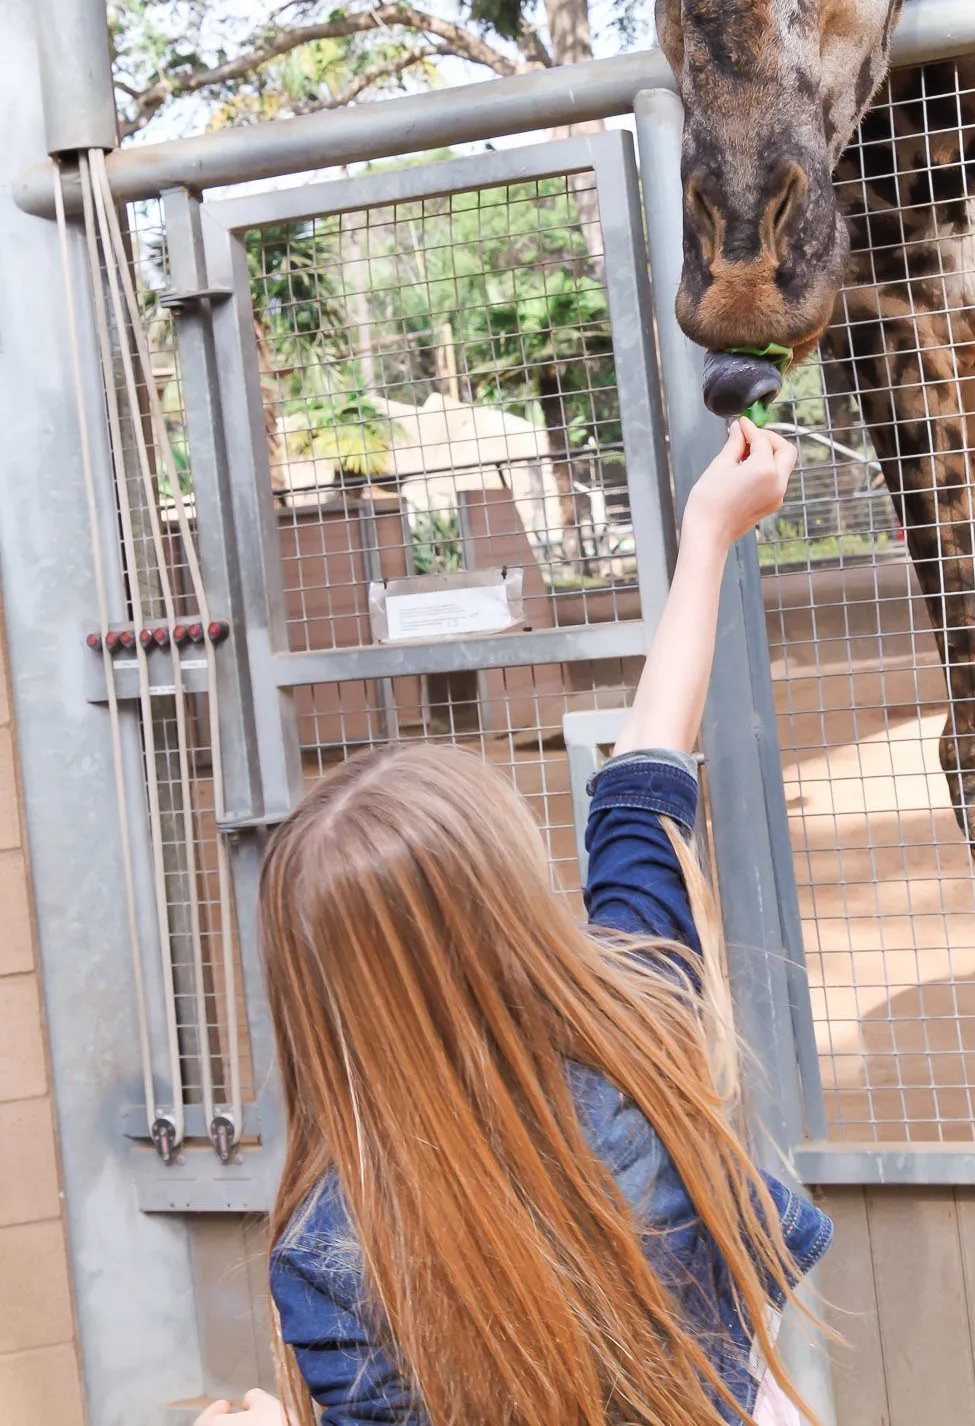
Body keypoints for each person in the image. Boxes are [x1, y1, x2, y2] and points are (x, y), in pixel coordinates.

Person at [200, 418, 828, 1426]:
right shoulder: (639, 1035)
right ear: (510, 912)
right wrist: (708, 533)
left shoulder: (327, 1254)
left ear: (313, 994)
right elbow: (643, 785)